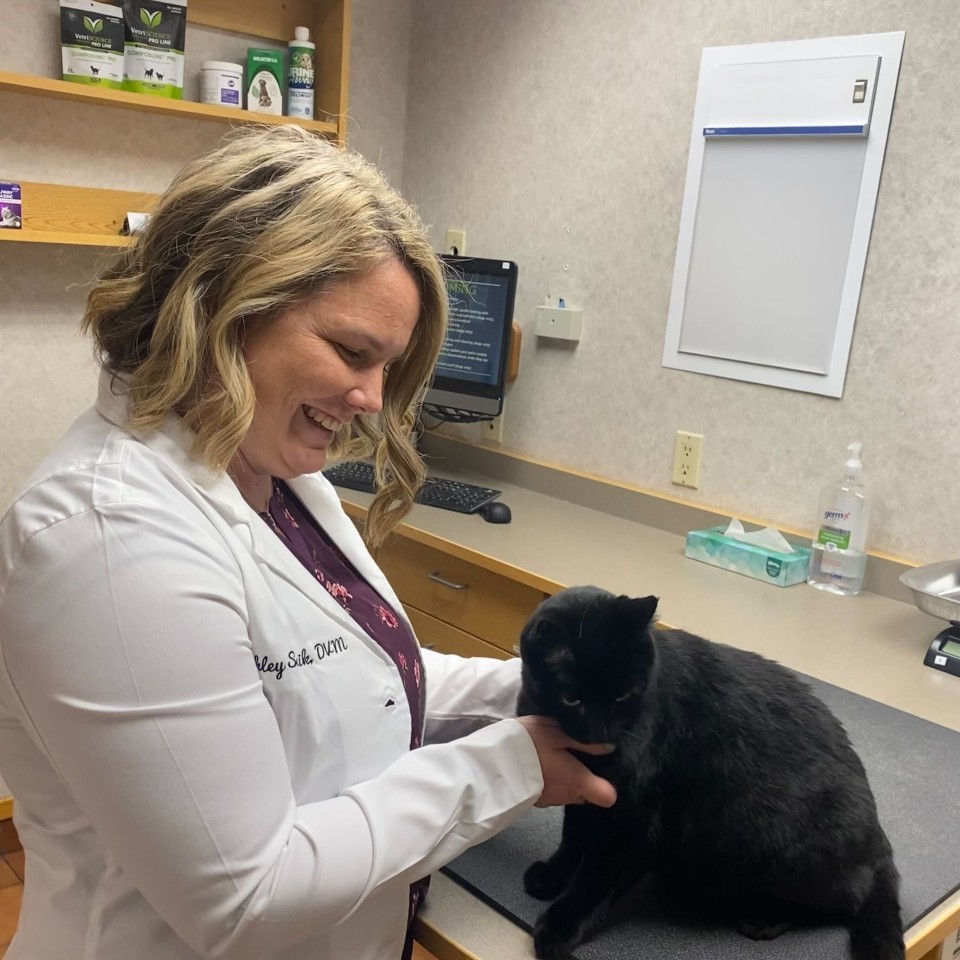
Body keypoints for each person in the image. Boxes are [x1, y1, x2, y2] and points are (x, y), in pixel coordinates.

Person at [0, 126, 616, 960]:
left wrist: (541, 690)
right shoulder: (110, 543)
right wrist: (506, 769)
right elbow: (247, 895)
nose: (371, 398)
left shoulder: (269, 470)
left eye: (389, 367)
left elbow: (355, 674)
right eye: (351, 351)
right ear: (218, 302)